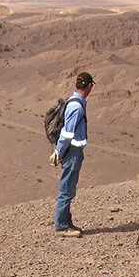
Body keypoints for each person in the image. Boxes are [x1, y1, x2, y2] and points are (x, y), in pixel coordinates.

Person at [51, 71, 95, 237]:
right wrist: (59, 152)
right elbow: (67, 133)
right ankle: (61, 226)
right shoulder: (77, 106)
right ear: (89, 86)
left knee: (69, 187)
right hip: (72, 152)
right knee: (67, 189)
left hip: (71, 151)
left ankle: (67, 222)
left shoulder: (73, 101)